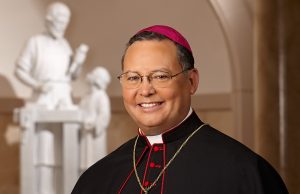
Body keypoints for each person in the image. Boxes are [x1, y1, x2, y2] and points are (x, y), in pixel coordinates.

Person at [71, 25, 288, 194]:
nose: (145, 90)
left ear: (191, 82)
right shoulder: (97, 179)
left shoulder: (246, 173)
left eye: (160, 76)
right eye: (134, 78)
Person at [15, 2, 88, 194]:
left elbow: (71, 76)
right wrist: (38, 85)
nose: (62, 25)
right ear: (49, 20)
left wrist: (79, 62)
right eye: (59, 20)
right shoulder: (35, 42)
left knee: (63, 148)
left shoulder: (65, 45)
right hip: (44, 98)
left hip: (64, 97)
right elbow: (20, 70)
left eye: (65, 21)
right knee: (43, 148)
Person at [79, 66, 111, 173]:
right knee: (83, 163)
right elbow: (80, 112)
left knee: (94, 164)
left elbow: (104, 116)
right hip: (84, 135)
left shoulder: (101, 96)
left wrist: (93, 124)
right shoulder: (86, 96)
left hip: (94, 135)